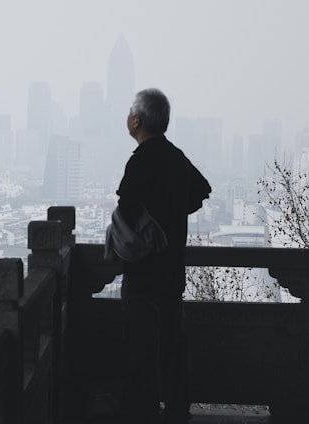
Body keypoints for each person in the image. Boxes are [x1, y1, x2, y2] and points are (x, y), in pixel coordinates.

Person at [115, 88, 211, 424]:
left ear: (137, 120)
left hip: (142, 272)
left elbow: (126, 206)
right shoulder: (175, 156)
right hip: (172, 270)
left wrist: (147, 223)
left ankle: (142, 412)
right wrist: (172, 212)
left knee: (141, 349)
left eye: (130, 111)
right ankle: (177, 411)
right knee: (173, 346)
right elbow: (202, 191)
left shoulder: (140, 160)